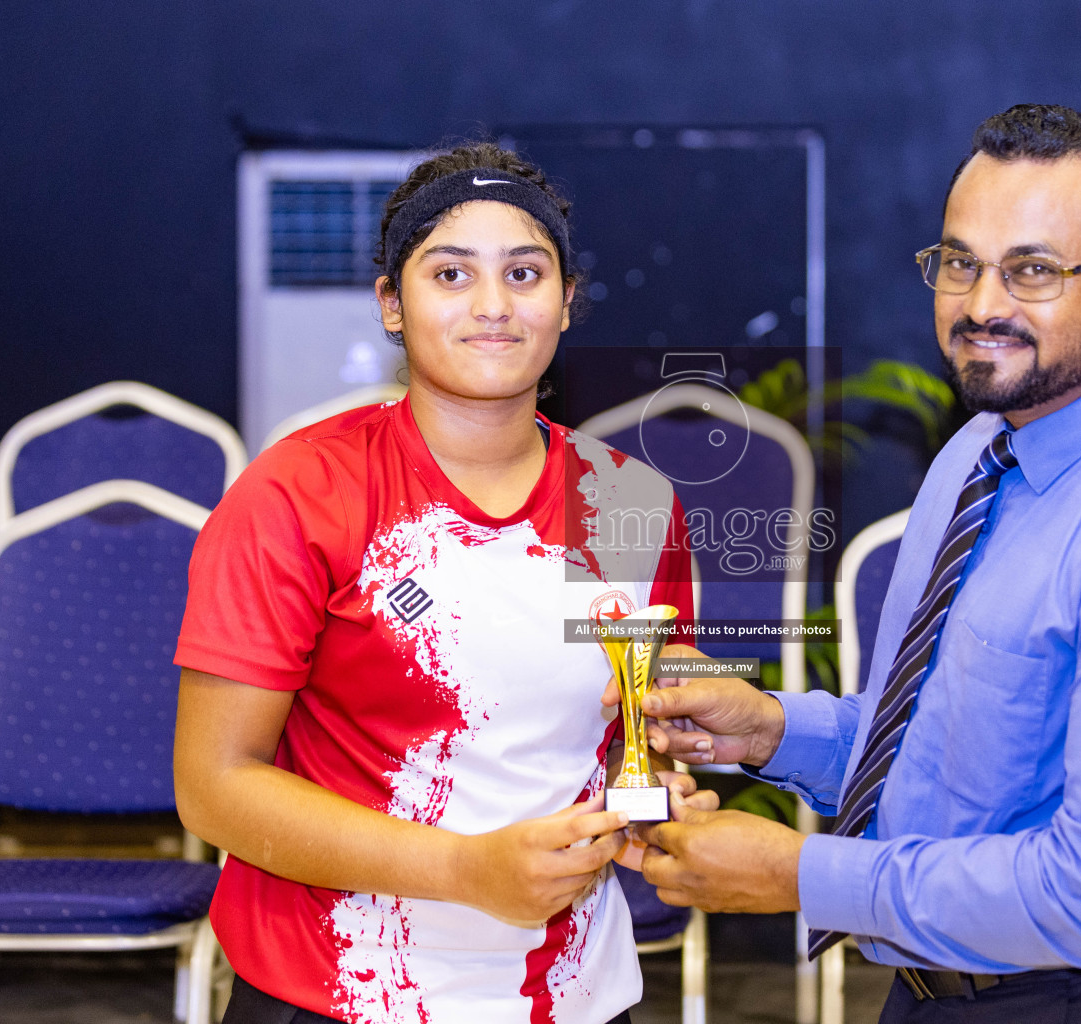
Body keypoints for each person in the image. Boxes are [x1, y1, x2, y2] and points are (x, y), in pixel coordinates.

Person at [628, 105, 1081, 1023]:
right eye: (958, 263)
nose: (982, 305)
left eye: (1032, 270)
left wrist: (799, 873)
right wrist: (772, 731)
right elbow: (948, 751)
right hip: (935, 990)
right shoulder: (983, 448)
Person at [173, 142, 712, 1024]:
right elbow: (213, 782)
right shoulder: (296, 493)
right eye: (451, 273)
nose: (494, 306)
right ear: (393, 303)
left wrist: (650, 791)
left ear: (568, 303)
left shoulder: (633, 504)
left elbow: (625, 733)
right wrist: (463, 870)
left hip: (571, 992)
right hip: (337, 989)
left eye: (526, 274)